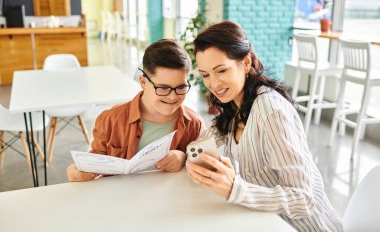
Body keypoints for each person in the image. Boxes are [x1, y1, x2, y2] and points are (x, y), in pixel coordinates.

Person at [185, 21, 343, 232]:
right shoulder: (235, 105)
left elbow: (303, 200)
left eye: (221, 70)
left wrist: (236, 188)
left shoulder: (271, 111)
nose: (213, 84)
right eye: (205, 74)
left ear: (246, 62)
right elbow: (203, 143)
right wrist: (185, 155)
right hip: (267, 222)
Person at [67, 39, 204, 182]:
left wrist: (183, 158)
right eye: (163, 88)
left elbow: (203, 167)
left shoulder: (194, 124)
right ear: (143, 82)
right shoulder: (110, 120)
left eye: (181, 87)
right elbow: (94, 165)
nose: (173, 96)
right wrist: (77, 171)